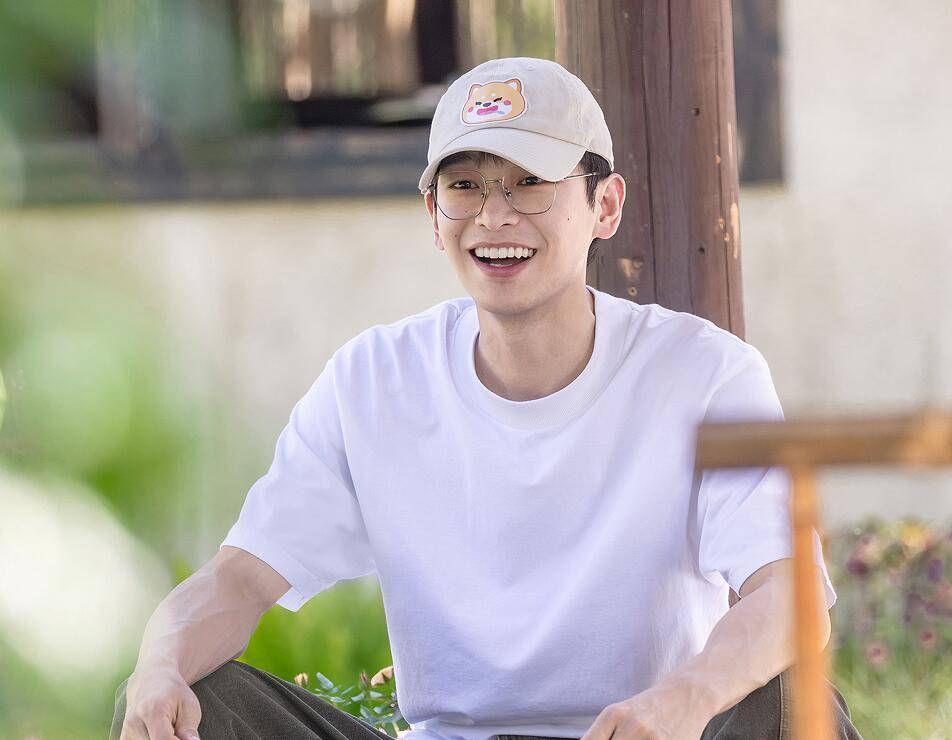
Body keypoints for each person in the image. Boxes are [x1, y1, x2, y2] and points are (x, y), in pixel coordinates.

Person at [112, 57, 862, 740]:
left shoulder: (705, 373)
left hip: (640, 736)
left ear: (605, 206)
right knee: (180, 696)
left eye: (529, 183)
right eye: (465, 186)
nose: (495, 217)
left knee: (794, 705)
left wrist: (682, 701)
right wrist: (158, 667)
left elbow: (790, 592)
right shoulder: (372, 379)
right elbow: (240, 578)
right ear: (432, 216)